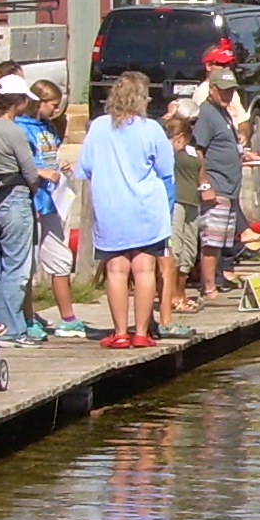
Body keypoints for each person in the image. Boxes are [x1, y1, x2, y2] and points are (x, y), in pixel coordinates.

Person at [78, 70, 175, 349]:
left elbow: (85, 167)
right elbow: (166, 170)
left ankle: (120, 332)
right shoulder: (151, 129)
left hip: (111, 208)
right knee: (144, 270)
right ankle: (142, 332)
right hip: (145, 207)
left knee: (116, 271)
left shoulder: (97, 127)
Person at [0, 75, 46, 346]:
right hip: (16, 197)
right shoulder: (14, 131)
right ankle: (15, 329)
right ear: (17, 101)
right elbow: (30, 172)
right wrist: (37, 183)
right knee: (18, 266)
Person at [20, 79, 86, 340]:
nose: (55, 111)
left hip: (51, 201)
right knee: (28, 263)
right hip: (32, 200)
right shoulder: (21, 129)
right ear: (39, 102)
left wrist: (60, 169)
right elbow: (19, 164)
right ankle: (26, 317)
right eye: (52, 105)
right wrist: (40, 172)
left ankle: (68, 317)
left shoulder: (47, 128)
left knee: (61, 259)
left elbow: (51, 155)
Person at [191, 65, 245, 300]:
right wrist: (205, 184)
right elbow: (197, 151)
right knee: (211, 241)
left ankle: (218, 278)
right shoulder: (206, 113)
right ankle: (209, 286)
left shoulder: (223, 113)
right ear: (211, 89)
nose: (228, 95)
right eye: (223, 90)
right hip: (216, 184)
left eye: (231, 90)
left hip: (229, 187)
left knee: (223, 240)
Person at [161, 109, 204, 322]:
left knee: (189, 249)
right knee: (174, 247)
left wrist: (205, 186)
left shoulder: (193, 152)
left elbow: (200, 171)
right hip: (175, 201)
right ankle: (171, 295)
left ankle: (181, 290)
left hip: (192, 201)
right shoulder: (166, 152)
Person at [191, 43, 252, 144]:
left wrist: (243, 133)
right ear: (209, 66)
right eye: (222, 64)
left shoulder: (232, 91)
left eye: (229, 64)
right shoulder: (203, 92)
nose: (227, 68)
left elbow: (242, 120)